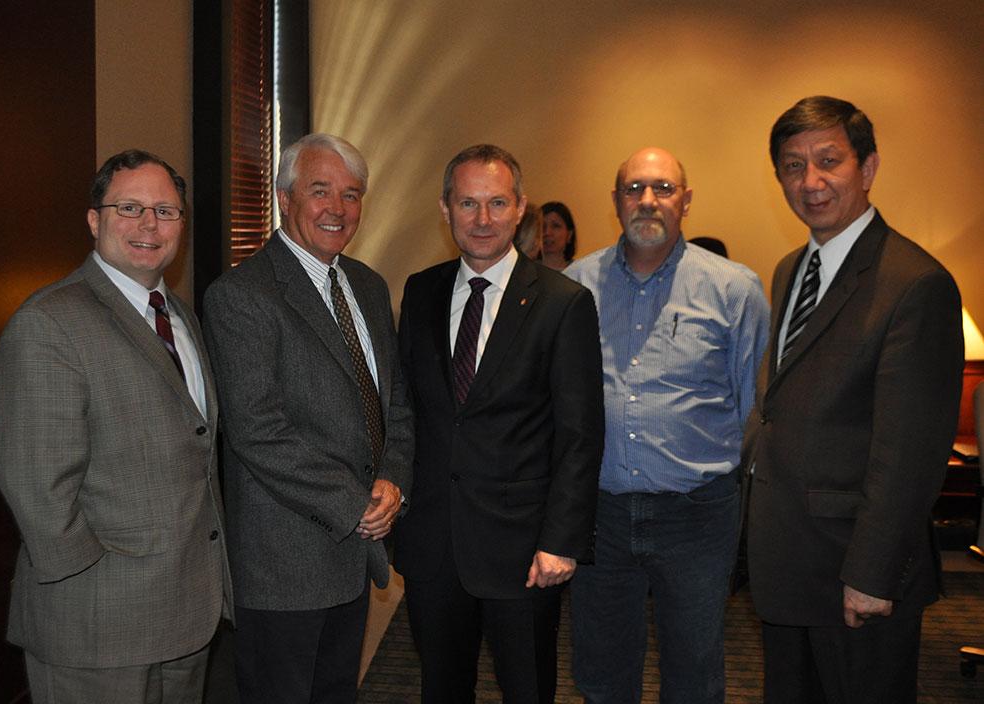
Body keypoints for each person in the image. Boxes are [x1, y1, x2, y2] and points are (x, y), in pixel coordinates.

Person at [744, 96, 963, 703]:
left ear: (867, 168)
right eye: (792, 165)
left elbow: (909, 454)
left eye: (828, 161)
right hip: (790, 563)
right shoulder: (792, 268)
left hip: (857, 576)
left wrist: (870, 573)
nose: (809, 182)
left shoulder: (915, 284)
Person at [0, 150, 231, 703]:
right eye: (130, 207)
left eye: (166, 212)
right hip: (98, 629)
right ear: (95, 220)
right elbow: (36, 485)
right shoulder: (49, 323)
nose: (149, 224)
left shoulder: (179, 315)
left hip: (186, 614)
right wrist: (98, 589)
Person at [203, 133, 414, 704]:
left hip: (352, 552)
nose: (338, 209)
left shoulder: (368, 286)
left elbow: (393, 402)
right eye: (320, 191)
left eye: (352, 194)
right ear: (282, 198)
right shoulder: (241, 296)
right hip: (284, 564)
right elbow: (259, 432)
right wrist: (357, 506)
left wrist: (393, 481)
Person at [395, 144, 604, 703]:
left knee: (527, 691)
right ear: (445, 209)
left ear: (520, 209)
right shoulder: (421, 290)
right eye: (468, 203)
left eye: (496, 203)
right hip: (434, 544)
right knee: (441, 689)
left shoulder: (564, 302)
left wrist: (562, 541)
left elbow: (581, 435)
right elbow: (408, 409)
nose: (482, 219)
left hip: (524, 552)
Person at [564, 147, 769, 703]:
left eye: (663, 188)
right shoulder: (574, 286)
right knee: (601, 671)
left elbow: (753, 406)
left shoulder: (734, 289)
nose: (647, 201)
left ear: (686, 200)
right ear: (615, 201)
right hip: (599, 514)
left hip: (696, 516)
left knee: (694, 671)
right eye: (634, 189)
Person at [540, 200, 577, 270]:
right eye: (542, 226)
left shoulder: (579, 271)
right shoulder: (526, 270)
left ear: (569, 235)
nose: (547, 232)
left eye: (555, 226)